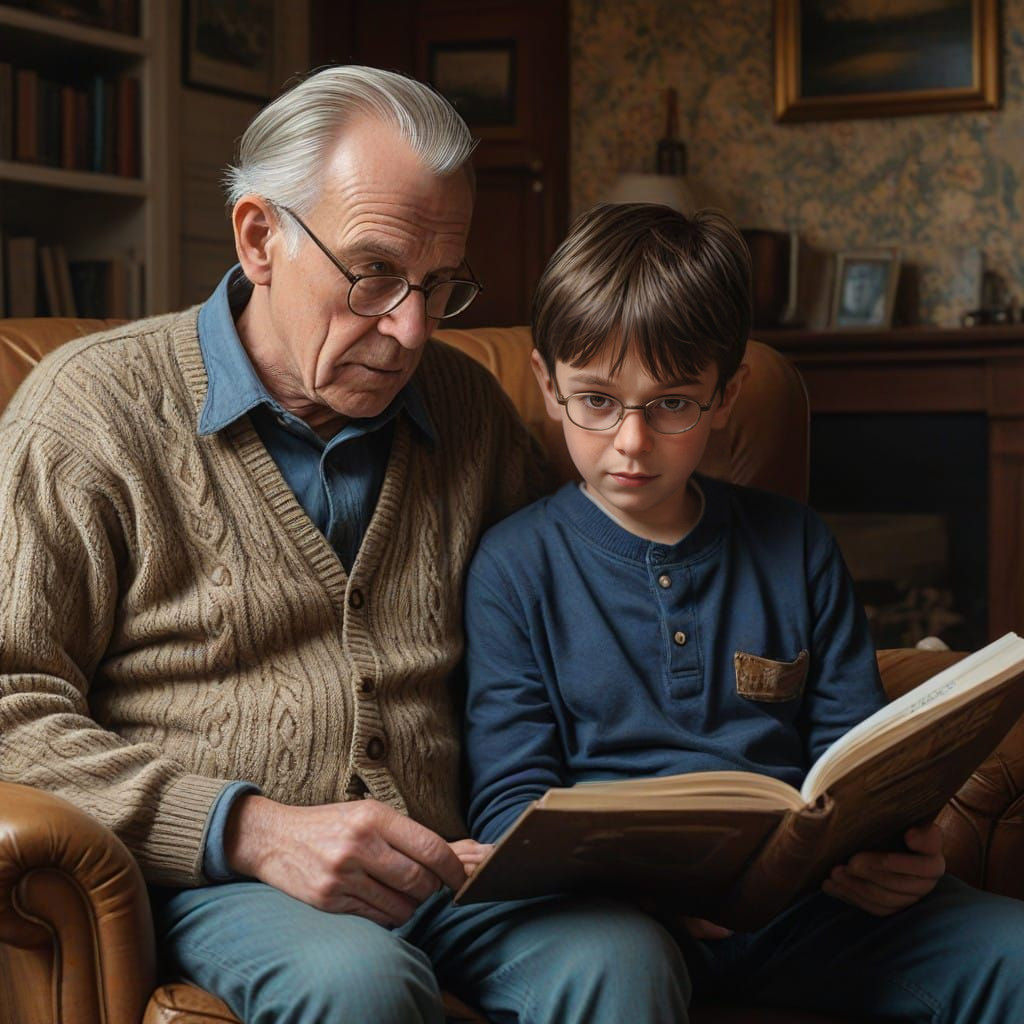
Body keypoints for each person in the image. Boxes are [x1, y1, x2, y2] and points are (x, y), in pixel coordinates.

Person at [0, 69, 689, 1023]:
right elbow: (9, 703)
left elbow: (582, 634)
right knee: (359, 983)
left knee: (625, 958)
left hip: (452, 869)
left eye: (441, 286)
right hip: (226, 884)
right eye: (373, 274)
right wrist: (246, 828)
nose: (410, 330)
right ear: (260, 236)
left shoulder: (468, 410)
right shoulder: (90, 411)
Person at [462, 201, 1024, 1022]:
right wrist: (642, 892)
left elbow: (859, 760)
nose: (630, 441)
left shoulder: (795, 545)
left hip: (808, 911)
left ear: (726, 396)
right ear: (548, 385)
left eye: (672, 405)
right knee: (623, 970)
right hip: (615, 919)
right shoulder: (513, 567)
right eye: (596, 400)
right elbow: (510, 802)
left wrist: (897, 849)